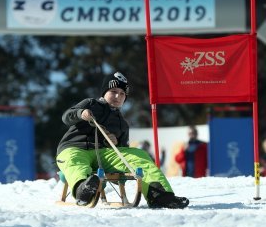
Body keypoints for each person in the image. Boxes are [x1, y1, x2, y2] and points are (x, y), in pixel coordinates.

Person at [56, 71, 189, 209]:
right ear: (104, 92)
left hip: (104, 155)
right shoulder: (90, 104)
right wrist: (80, 113)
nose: (117, 96)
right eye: (113, 91)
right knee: (75, 162)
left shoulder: (122, 124)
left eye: (122, 94)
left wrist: (115, 143)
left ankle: (160, 195)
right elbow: (66, 117)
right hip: (74, 148)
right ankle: (83, 190)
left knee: (139, 155)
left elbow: (122, 157)